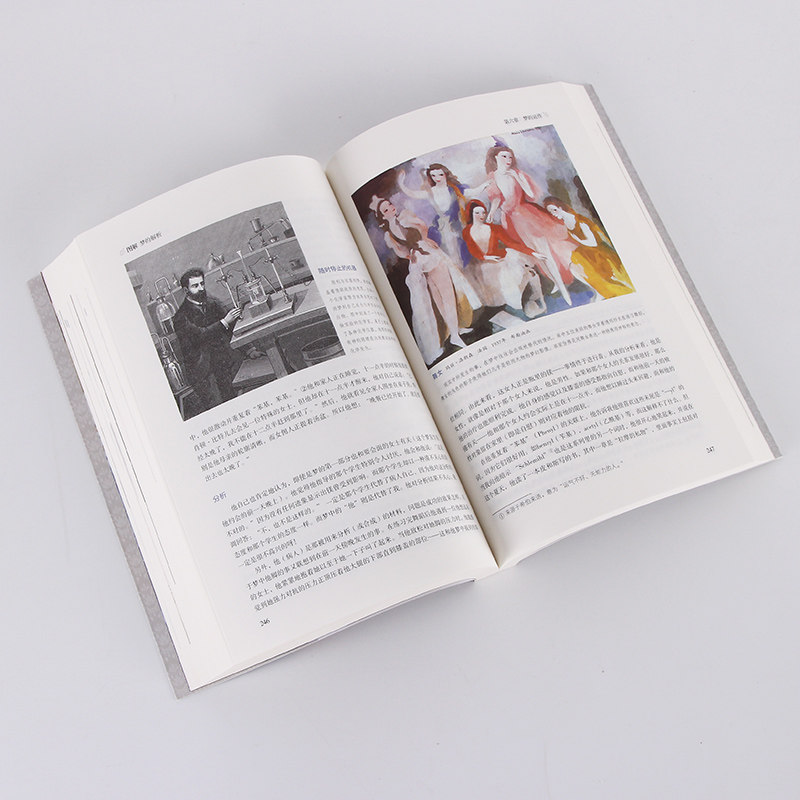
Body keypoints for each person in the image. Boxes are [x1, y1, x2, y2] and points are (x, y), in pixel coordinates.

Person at [371, 195, 467, 364]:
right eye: (386, 209)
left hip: (425, 252)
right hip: (422, 258)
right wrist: (413, 254)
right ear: (383, 216)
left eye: (390, 205)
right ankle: (454, 334)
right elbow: (401, 251)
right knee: (442, 295)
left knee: (443, 294)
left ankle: (455, 330)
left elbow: (422, 229)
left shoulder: (405, 217)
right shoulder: (390, 234)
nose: (391, 209)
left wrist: (421, 243)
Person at [485, 145, 578, 305]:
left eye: (510, 157)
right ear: (496, 158)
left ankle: (563, 288)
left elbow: (530, 194)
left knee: (545, 252)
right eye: (504, 156)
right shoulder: (493, 177)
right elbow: (496, 197)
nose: (508, 160)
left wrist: (518, 177)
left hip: (526, 217)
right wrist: (492, 212)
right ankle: (555, 281)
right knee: (535, 255)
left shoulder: (517, 173)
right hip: (510, 220)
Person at [173, 267, 242, 414]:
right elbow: (200, 335)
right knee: (219, 410)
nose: (201, 288)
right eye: (195, 286)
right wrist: (224, 321)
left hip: (222, 362)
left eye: (202, 284)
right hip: (203, 372)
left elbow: (231, 327)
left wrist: (250, 349)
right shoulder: (180, 317)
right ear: (186, 290)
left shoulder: (212, 303)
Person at [462, 200, 547, 318]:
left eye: (483, 212)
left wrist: (533, 253)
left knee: (519, 274)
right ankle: (521, 306)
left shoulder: (494, 228)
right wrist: (485, 257)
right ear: (471, 214)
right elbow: (472, 249)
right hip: (483, 265)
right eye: (477, 213)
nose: (481, 215)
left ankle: (533, 302)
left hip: (500, 259)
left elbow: (511, 243)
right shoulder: (467, 231)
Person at [543, 197, 634, 298]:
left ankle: (608, 289)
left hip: (599, 251)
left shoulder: (578, 220)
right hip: (588, 251)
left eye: (554, 210)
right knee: (575, 266)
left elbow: (593, 242)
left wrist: (578, 241)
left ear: (560, 207)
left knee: (581, 262)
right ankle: (599, 291)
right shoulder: (566, 223)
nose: (553, 213)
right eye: (550, 212)